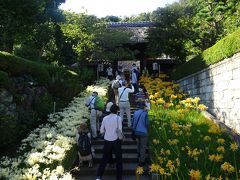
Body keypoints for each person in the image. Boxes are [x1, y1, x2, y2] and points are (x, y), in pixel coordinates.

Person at [96, 104, 124, 180]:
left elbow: (101, 131)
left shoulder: (105, 118)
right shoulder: (119, 118)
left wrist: (107, 132)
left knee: (104, 159)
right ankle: (119, 178)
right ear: (117, 111)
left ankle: (98, 176)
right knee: (119, 160)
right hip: (116, 141)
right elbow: (120, 131)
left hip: (107, 140)